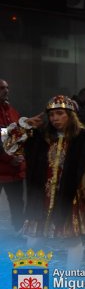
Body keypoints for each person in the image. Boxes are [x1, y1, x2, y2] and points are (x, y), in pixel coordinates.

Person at [2, 95, 85, 268]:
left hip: (68, 198)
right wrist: (24, 126)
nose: (54, 118)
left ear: (70, 115)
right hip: (40, 198)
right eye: (51, 115)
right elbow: (10, 146)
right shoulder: (40, 138)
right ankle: (33, 281)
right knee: (34, 239)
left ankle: (71, 279)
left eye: (59, 113)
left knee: (72, 240)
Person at [0, 79, 25, 232]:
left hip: (14, 170)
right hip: (5, 167)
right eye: (2, 88)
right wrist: (10, 159)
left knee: (17, 203)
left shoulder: (12, 111)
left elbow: (19, 137)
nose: (6, 90)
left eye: (7, 87)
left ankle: (18, 231)